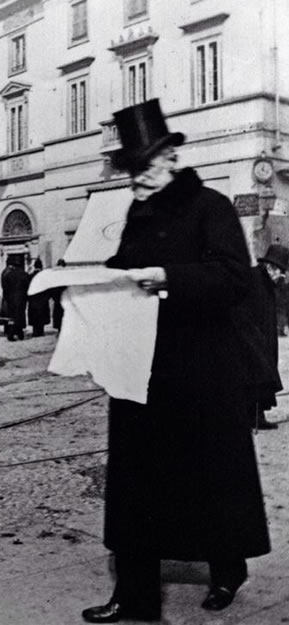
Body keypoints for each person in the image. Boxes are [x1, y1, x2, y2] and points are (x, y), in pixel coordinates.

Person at [82, 99, 270, 623]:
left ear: (169, 161)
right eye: (131, 173)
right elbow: (122, 267)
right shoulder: (140, 212)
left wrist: (168, 277)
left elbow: (235, 280)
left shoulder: (212, 206)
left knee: (211, 476)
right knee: (136, 480)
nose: (136, 183)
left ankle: (226, 571)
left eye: (143, 171)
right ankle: (134, 595)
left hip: (204, 368)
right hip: (141, 367)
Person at [239, 243, 289, 430]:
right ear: (270, 267)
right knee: (255, 374)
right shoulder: (253, 278)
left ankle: (257, 415)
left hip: (261, 336)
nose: (282, 276)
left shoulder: (267, 282)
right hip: (249, 336)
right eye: (280, 271)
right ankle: (252, 416)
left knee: (262, 375)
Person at [1, 257, 30, 340]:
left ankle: (11, 333)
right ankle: (19, 333)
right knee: (20, 316)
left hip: (11, 299)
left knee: (12, 316)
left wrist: (7, 298)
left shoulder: (8, 275)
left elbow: (5, 288)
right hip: (21, 299)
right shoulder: (24, 275)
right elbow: (27, 288)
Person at [27, 258, 50, 337]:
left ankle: (35, 331)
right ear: (41, 266)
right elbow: (48, 288)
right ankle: (41, 331)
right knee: (41, 316)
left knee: (34, 316)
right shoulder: (44, 276)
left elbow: (27, 288)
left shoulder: (30, 276)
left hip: (33, 300)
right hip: (42, 300)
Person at [51, 258, 67, 332]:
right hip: (65, 297)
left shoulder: (55, 275)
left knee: (58, 314)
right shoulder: (66, 274)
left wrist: (54, 296)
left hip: (57, 298)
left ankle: (59, 328)